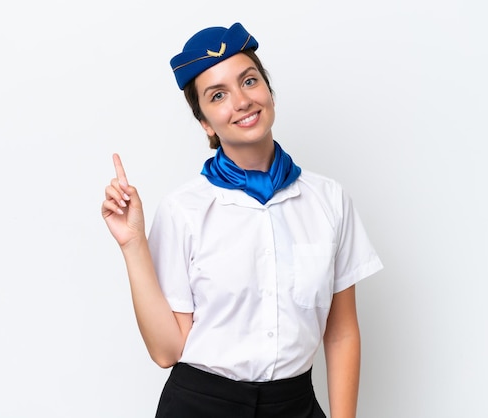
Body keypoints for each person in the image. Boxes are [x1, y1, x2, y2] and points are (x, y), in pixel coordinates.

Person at [102, 22, 383, 418]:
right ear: (205, 123)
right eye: (218, 95)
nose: (242, 101)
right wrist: (133, 245)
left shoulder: (329, 200)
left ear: (267, 89)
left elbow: (340, 333)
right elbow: (167, 352)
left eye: (249, 81)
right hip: (201, 406)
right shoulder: (185, 209)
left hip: (295, 405)